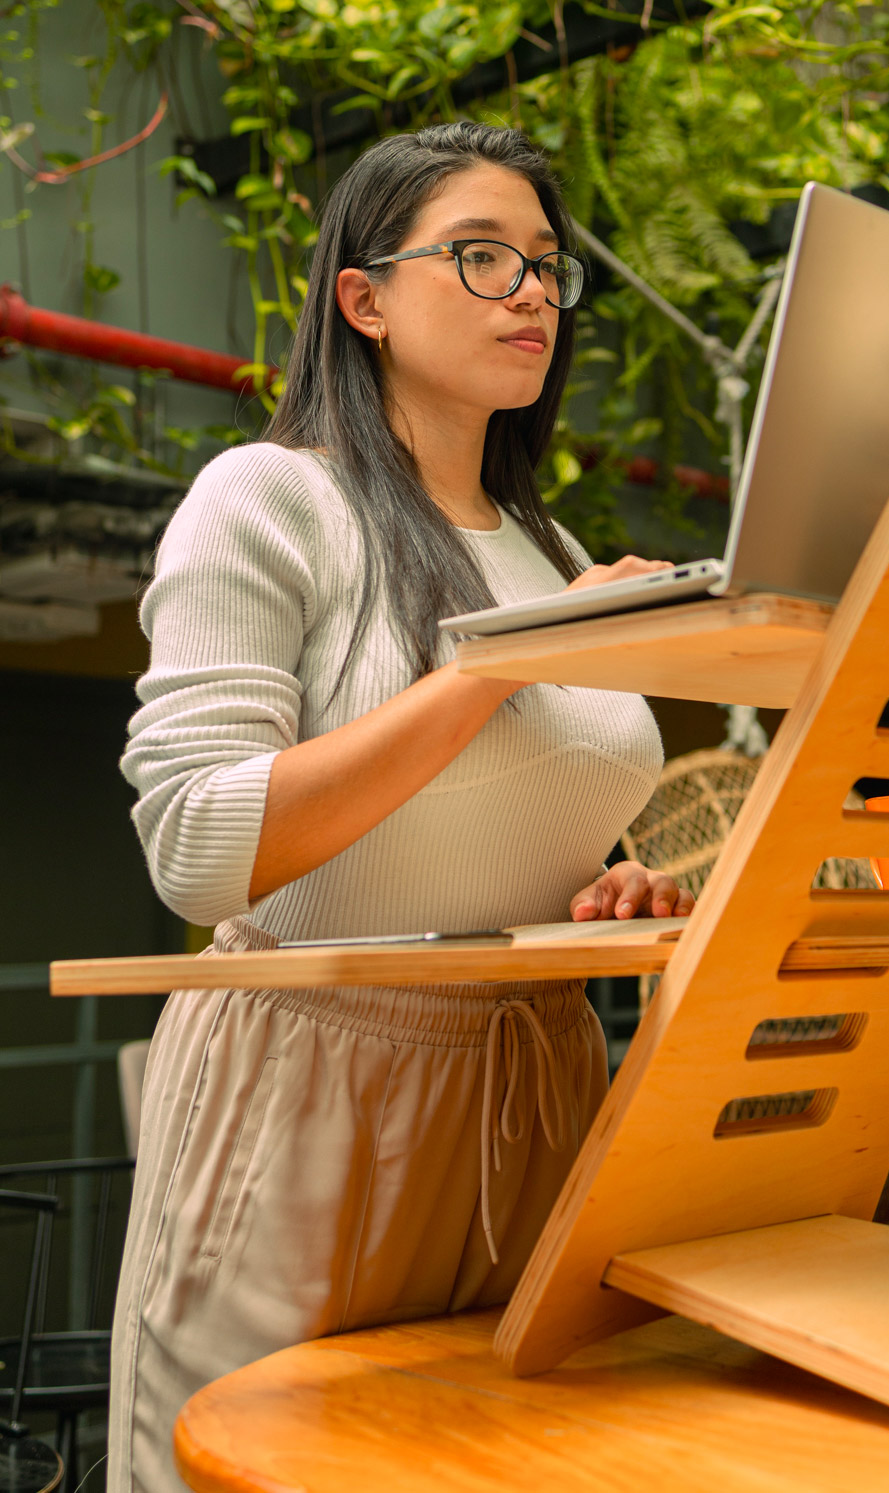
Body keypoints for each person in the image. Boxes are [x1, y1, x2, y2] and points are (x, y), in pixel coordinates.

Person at [108, 121, 693, 1493]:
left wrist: (608, 880)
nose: (532, 293)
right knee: (258, 1463)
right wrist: (510, 658)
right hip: (314, 1080)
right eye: (481, 259)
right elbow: (196, 848)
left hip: (542, 1081)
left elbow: (500, 812)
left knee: (519, 1467)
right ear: (363, 299)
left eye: (546, 266)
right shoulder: (265, 499)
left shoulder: (548, 547)